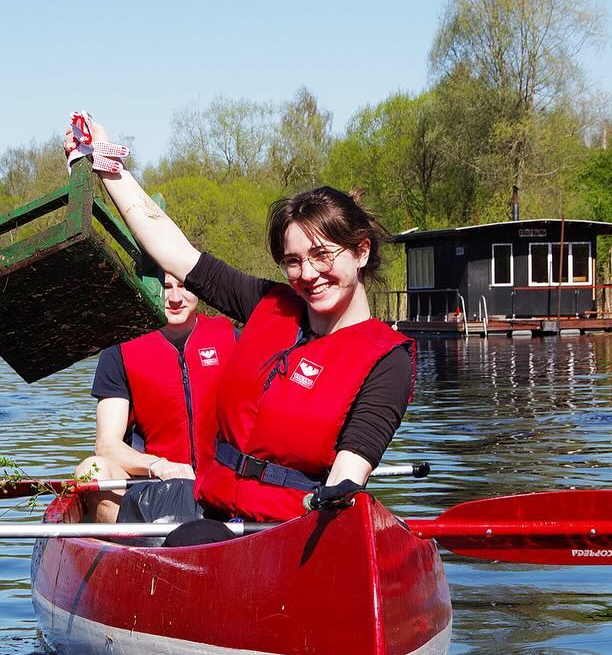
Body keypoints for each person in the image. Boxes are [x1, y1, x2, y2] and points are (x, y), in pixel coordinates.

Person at [66, 114, 413, 522]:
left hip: (283, 526)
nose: (309, 274)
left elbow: (349, 472)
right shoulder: (269, 303)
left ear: (361, 252)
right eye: (293, 261)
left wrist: (330, 507)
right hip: (207, 504)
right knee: (118, 494)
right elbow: (171, 248)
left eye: (323, 255)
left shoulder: (388, 360)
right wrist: (107, 165)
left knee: (194, 541)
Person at [74, 273, 236, 523]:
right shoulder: (119, 348)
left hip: (222, 487)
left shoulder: (232, 338)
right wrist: (157, 465)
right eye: (164, 288)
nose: (174, 298)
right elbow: (106, 445)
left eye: (183, 286)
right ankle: (132, 548)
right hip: (154, 489)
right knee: (91, 469)